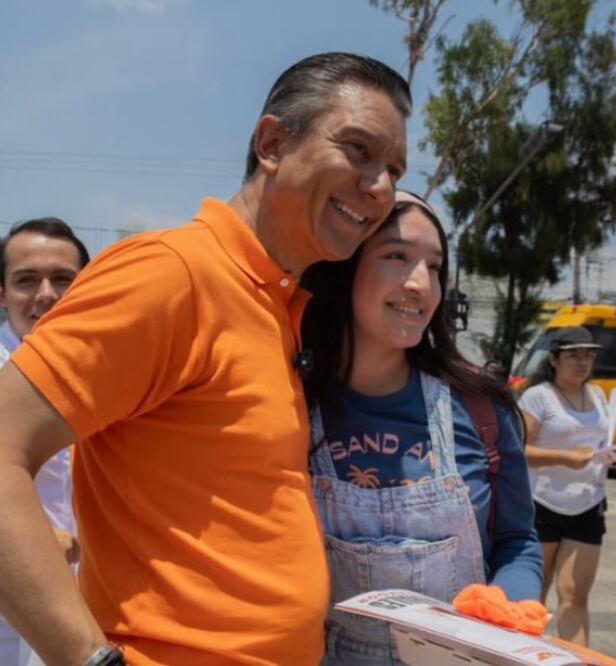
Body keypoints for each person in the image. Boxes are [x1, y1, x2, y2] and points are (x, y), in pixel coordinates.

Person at [0, 52, 410, 665]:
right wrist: (86, 659)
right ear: (273, 142)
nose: (380, 187)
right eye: (358, 150)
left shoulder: (277, 304)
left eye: (394, 169)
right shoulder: (172, 275)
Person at [299, 191, 542, 663]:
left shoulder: (481, 408)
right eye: (396, 256)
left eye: (434, 268)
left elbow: (518, 541)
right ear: (342, 267)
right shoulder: (287, 404)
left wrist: (507, 604)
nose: (419, 284)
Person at [0, 218, 89, 666]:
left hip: (90, 604)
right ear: (2, 294)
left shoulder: (116, 374)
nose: (46, 295)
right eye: (26, 280)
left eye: (62, 279)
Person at [519, 327, 616, 647]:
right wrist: (564, 458)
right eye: (574, 355)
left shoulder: (599, 396)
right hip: (541, 506)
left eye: (589, 355)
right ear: (554, 358)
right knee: (533, 598)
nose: (582, 362)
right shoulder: (538, 397)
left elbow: (600, 444)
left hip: (589, 504)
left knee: (575, 596)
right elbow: (519, 450)